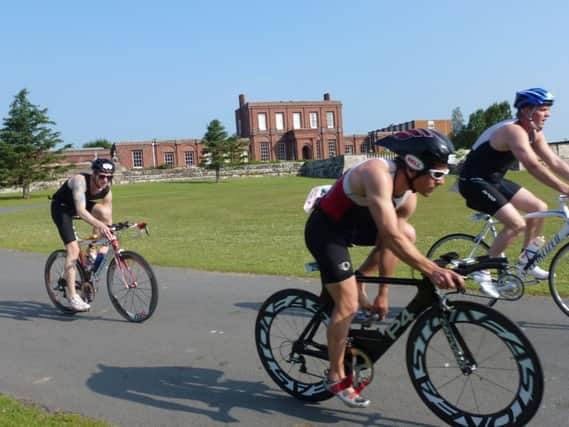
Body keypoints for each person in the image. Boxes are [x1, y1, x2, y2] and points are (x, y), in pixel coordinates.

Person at [304, 129, 464, 408]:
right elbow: (389, 235)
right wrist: (432, 270)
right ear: (414, 165)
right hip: (326, 231)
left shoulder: (408, 196)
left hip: (357, 229)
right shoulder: (377, 173)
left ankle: (359, 279)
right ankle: (334, 374)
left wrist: (382, 293)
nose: (441, 182)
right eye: (438, 174)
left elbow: (391, 241)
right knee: (348, 304)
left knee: (407, 231)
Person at [458, 88, 569, 298]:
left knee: (539, 208)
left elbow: (554, 162)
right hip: (472, 182)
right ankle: (483, 270)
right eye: (543, 109)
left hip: (493, 180)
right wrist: (565, 189)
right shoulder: (513, 131)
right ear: (527, 110)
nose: (548, 114)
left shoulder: (534, 132)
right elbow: (533, 166)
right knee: (516, 223)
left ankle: (527, 259)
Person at [50, 158, 115, 311]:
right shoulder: (80, 181)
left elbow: (107, 216)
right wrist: (100, 225)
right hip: (62, 208)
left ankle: (91, 253)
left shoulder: (107, 189)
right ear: (94, 174)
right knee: (73, 250)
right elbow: (81, 211)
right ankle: (73, 297)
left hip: (81, 205)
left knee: (104, 214)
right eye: (101, 176)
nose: (105, 180)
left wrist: (104, 240)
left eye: (109, 177)